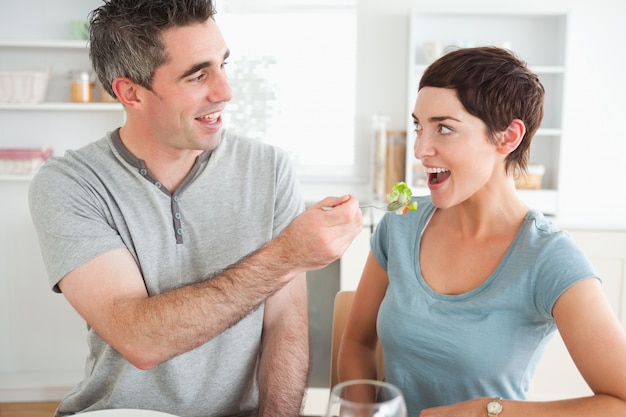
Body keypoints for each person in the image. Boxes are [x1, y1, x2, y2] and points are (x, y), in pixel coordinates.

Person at [28, 1, 362, 416]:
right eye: (198, 74)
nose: (225, 91)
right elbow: (139, 338)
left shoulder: (269, 170)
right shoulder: (71, 183)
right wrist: (285, 256)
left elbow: (284, 324)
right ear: (130, 92)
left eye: (223, 65)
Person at [337, 46, 626, 417]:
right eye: (418, 126)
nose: (421, 149)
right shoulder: (402, 221)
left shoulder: (549, 258)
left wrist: (488, 411)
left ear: (507, 138)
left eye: (444, 128)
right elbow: (358, 343)